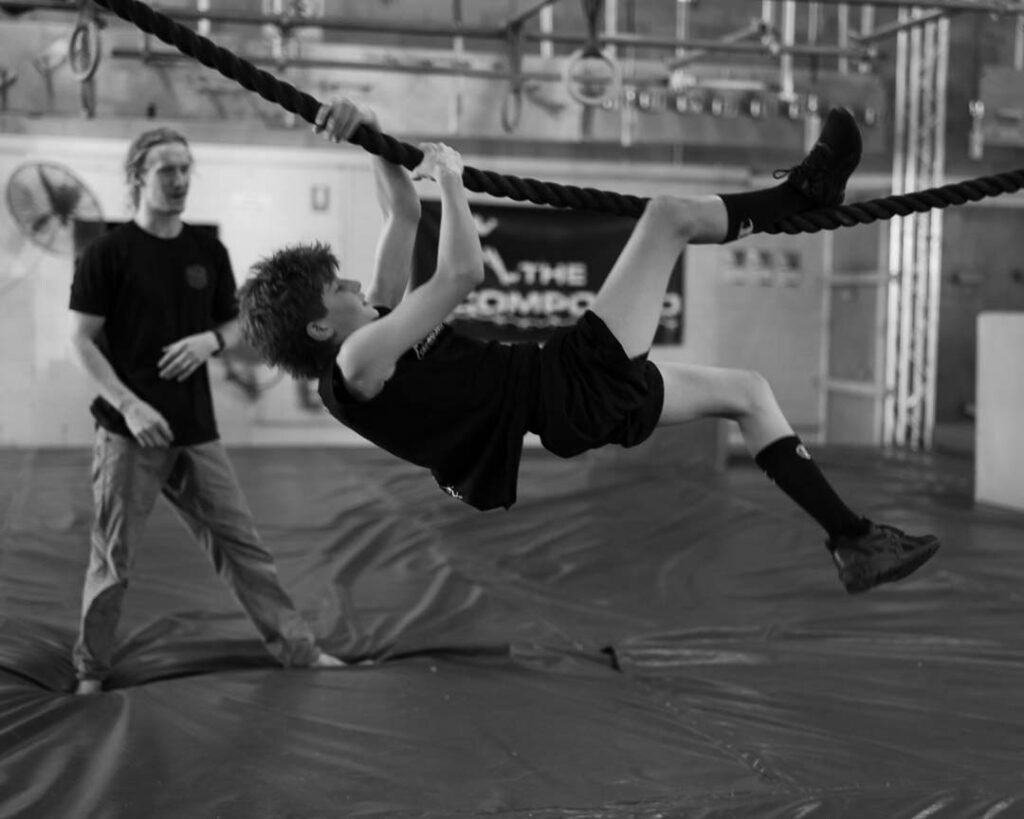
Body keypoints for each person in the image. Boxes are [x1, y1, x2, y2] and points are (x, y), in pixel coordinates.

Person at [238, 99, 939, 596]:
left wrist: (370, 130)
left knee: (748, 391)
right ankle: (807, 194)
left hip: (570, 396)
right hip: (565, 384)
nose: (357, 279)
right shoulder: (358, 364)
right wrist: (451, 176)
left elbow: (402, 211)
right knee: (666, 219)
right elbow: (461, 272)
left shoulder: (374, 335)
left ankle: (853, 542)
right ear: (321, 329)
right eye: (338, 286)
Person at [68, 126, 343, 695]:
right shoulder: (107, 254)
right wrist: (131, 406)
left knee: (245, 549)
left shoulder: (206, 251)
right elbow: (82, 341)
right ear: (138, 176)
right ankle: (90, 672)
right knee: (113, 559)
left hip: (196, 428)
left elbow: (229, 320)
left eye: (187, 168)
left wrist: (210, 343)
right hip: (128, 430)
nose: (180, 180)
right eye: (167, 169)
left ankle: (299, 650)